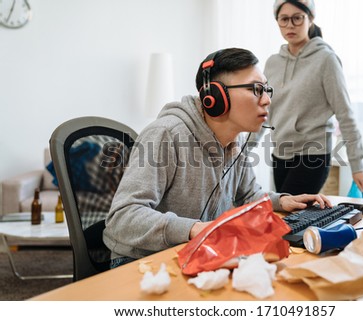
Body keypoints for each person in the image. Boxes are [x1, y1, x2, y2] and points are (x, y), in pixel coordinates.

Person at [103, 48, 332, 268]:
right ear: (215, 97)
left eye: (266, 90)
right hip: (141, 261)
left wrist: (281, 201)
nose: (266, 100)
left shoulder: (237, 140)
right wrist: (195, 229)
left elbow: (248, 195)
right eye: (255, 89)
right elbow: (122, 218)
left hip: (198, 252)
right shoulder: (166, 134)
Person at [264, 0, 363, 195]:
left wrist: (358, 166)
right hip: (280, 154)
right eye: (284, 19)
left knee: (289, 214)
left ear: (310, 18)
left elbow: (345, 113)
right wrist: (242, 149)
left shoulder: (326, 59)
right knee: (288, 217)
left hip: (313, 155)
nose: (290, 25)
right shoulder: (272, 63)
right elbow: (263, 110)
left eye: (297, 18)